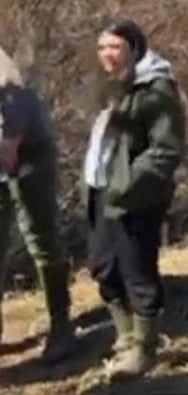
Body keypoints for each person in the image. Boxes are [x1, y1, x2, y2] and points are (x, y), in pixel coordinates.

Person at [83, 19, 186, 379]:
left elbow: (167, 149)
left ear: (133, 48)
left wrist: (128, 184)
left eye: (114, 47)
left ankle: (145, 349)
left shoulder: (155, 89)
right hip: (101, 189)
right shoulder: (112, 87)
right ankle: (125, 339)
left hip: (134, 196)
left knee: (137, 269)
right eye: (102, 48)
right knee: (103, 266)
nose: (106, 55)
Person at [0, 45, 78, 364]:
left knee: (41, 236)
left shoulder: (2, 68)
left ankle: (61, 326)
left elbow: (11, 128)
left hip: (27, 151)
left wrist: (8, 150)